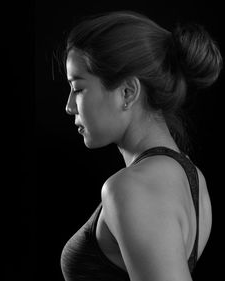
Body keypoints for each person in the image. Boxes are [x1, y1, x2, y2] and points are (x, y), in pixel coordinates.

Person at [59, 11, 222, 281]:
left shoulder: (133, 187)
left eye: (78, 88)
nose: (68, 106)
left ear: (127, 92)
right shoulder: (193, 177)